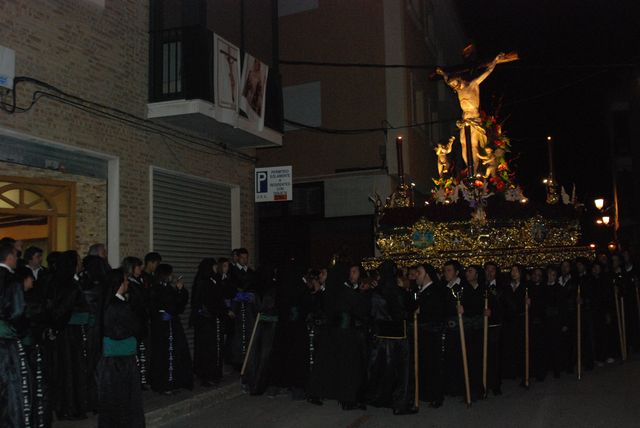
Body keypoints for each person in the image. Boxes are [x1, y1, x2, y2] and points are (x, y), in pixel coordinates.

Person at [97, 269, 145, 427]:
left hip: (114, 360)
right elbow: (121, 330)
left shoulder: (110, 303)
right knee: (124, 399)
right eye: (125, 280)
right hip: (120, 361)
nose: (127, 283)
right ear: (118, 283)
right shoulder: (117, 305)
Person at [50, 250, 92, 420]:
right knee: (69, 370)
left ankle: (71, 406)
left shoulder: (68, 282)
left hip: (68, 332)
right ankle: (70, 407)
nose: (81, 263)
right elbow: (63, 309)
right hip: (68, 334)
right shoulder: (68, 284)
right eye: (78, 261)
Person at [0, 240, 33, 428]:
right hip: (5, 344)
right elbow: (18, 312)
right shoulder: (12, 281)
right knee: (11, 390)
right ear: (10, 256)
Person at [149, 263, 193, 394]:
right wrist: (160, 314)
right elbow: (152, 307)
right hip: (161, 329)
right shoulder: (155, 288)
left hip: (172, 326)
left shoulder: (170, 288)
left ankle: (174, 382)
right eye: (170, 274)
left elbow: (178, 305)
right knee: (162, 355)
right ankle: (163, 384)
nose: (172, 276)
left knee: (176, 353)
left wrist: (180, 290)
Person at [330, 263, 369, 410]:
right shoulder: (344, 291)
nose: (356, 274)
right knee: (347, 366)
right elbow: (358, 309)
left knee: (354, 366)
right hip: (345, 334)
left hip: (351, 333)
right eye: (353, 271)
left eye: (357, 271)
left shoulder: (350, 290)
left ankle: (353, 397)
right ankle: (347, 398)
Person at [192, 258, 234, 386]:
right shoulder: (204, 282)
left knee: (213, 348)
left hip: (211, 319)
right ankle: (207, 375)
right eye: (214, 267)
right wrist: (224, 311)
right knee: (207, 349)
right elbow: (210, 302)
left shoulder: (212, 280)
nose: (216, 269)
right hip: (206, 321)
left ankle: (213, 373)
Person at [414, 263, 446, 408]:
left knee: (433, 365)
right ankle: (426, 393)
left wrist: (421, 311)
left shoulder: (435, 291)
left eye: (419, 272)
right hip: (423, 333)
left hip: (432, 334)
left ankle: (436, 396)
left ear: (427, 274)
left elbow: (435, 312)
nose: (416, 276)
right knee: (425, 365)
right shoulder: (422, 291)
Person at [122, 256, 150, 389]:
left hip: (141, 323)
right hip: (135, 324)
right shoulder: (130, 284)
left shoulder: (140, 281)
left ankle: (142, 380)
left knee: (142, 352)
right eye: (138, 267)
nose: (141, 269)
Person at [462, 265, 488, 400]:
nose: (467, 273)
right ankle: (469, 388)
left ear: (477, 274)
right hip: (467, 328)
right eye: (466, 271)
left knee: (479, 358)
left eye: (470, 271)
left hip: (479, 328)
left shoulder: (484, 289)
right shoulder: (463, 290)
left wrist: (488, 312)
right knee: (469, 358)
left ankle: (481, 387)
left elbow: (490, 305)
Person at [442, 260, 465, 397]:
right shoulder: (444, 287)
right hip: (448, 327)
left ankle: (462, 386)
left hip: (461, 327)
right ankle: (451, 386)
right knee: (449, 357)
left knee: (461, 357)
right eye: (445, 270)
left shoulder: (463, 287)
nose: (446, 273)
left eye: (449, 270)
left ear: (456, 272)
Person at [501, 264, 528, 385]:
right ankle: (512, 371)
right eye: (512, 270)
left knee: (522, 346)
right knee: (511, 346)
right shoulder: (507, 287)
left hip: (521, 320)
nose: (513, 273)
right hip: (510, 320)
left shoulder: (526, 286)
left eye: (516, 270)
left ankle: (524, 373)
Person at [542, 266, 568, 378]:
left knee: (556, 346)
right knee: (546, 345)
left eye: (553, 274)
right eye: (549, 274)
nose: (551, 276)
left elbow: (564, 307)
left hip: (556, 321)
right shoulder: (543, 288)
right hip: (545, 322)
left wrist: (564, 323)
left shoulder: (560, 289)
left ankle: (557, 369)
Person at [484, 261, 504, 395]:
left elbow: (503, 306)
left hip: (495, 325)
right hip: (483, 325)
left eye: (493, 270)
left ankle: (496, 384)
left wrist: (494, 313)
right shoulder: (481, 287)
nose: (490, 272)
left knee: (495, 356)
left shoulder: (501, 287)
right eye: (488, 270)